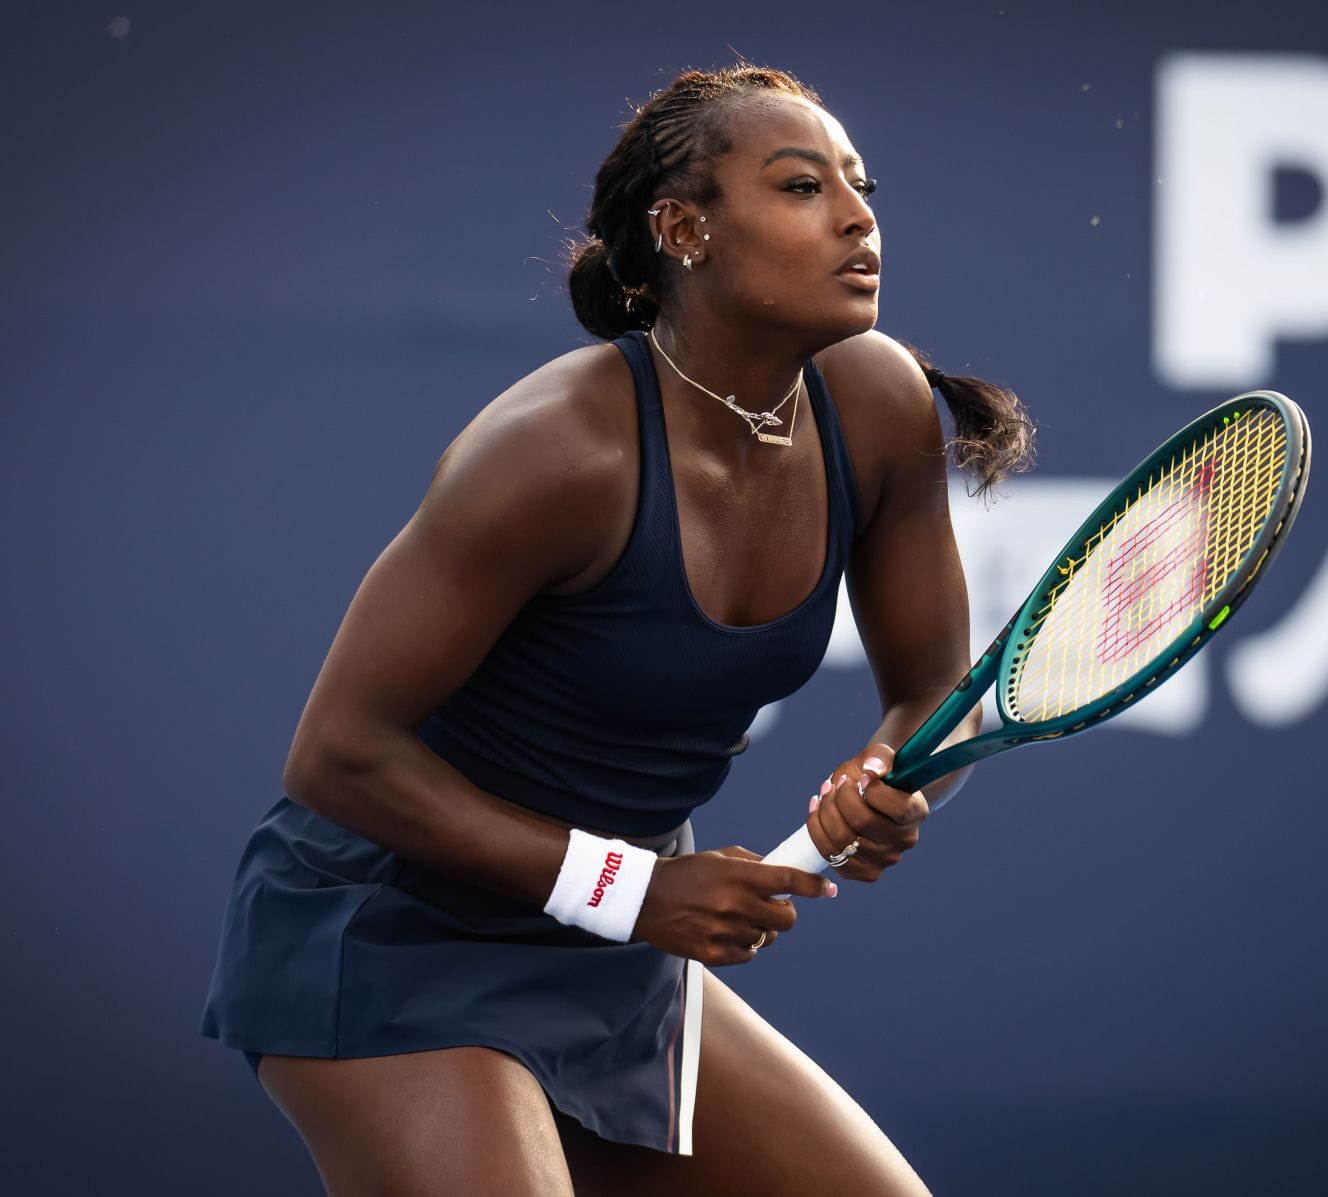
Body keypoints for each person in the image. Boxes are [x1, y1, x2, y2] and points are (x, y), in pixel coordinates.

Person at [201, 62, 1034, 1196]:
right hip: (392, 929)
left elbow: (937, 684)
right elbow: (339, 756)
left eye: (861, 184)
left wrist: (894, 781)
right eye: (801, 188)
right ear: (684, 228)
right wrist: (630, 890)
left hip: (611, 943)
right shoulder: (554, 452)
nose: (857, 218)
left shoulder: (877, 401)